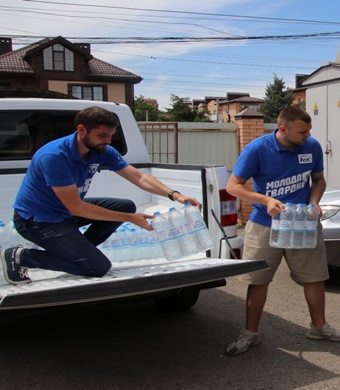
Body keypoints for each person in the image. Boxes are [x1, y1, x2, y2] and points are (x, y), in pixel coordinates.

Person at [0, 106, 200, 285]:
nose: (108, 141)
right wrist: (130, 219)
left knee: (125, 206)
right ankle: (21, 256)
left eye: (110, 135)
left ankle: (80, 251)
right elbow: (76, 208)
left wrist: (175, 195)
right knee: (97, 267)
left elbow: (138, 176)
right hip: (38, 220)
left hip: (64, 211)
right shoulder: (54, 157)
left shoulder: (102, 150)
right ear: (81, 130)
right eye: (102, 135)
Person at [225, 105, 340, 356]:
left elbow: (318, 179)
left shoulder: (311, 146)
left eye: (309, 131)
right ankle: (250, 333)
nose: (307, 136)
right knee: (259, 279)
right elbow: (233, 186)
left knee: (314, 277)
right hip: (265, 223)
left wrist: (314, 202)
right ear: (283, 129)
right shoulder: (257, 149)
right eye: (302, 132)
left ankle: (319, 327)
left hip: (302, 223)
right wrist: (266, 200)